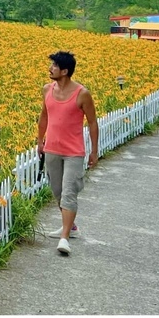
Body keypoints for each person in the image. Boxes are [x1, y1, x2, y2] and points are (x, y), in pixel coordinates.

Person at [36, 51, 99, 256]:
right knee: (57, 191)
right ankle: (70, 227)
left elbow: (92, 122)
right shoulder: (47, 89)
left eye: (55, 66)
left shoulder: (82, 94)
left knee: (69, 192)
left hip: (74, 152)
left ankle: (64, 238)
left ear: (65, 71)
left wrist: (94, 151)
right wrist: (39, 141)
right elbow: (44, 116)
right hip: (52, 149)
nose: (50, 68)